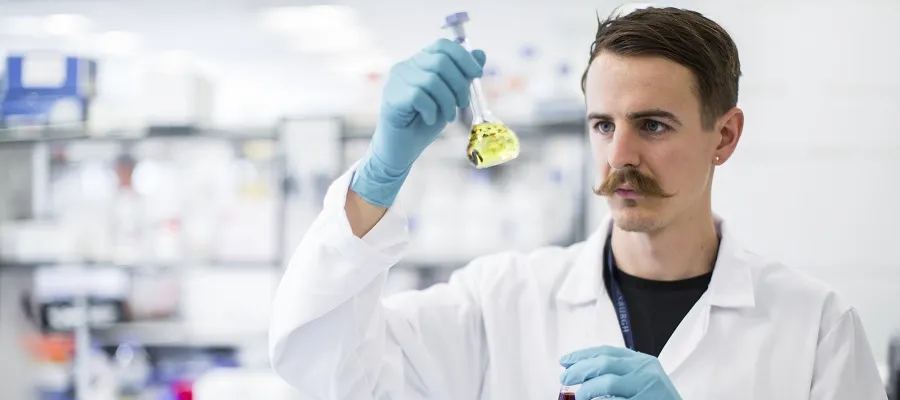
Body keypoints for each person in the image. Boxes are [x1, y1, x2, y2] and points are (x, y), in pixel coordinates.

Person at [268, 7, 888, 400]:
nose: (620, 155)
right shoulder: (500, 301)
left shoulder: (815, 327)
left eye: (652, 125)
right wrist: (381, 172)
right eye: (601, 125)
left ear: (723, 136)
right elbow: (327, 371)